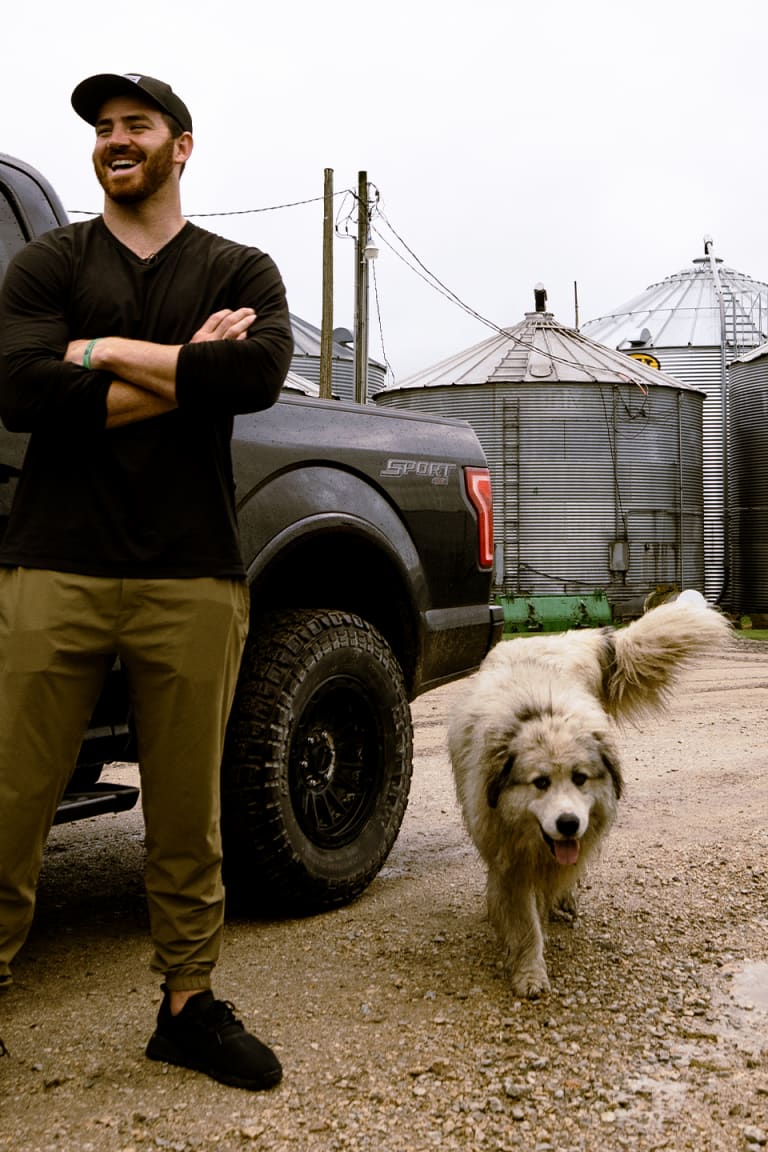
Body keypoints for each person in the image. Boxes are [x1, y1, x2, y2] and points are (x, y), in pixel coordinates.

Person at [0, 73, 294, 1091]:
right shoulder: (49, 260)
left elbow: (252, 377)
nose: (116, 140)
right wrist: (180, 368)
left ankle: (187, 1006)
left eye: (137, 126)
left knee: (184, 811)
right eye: (103, 129)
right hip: (54, 562)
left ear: (182, 146)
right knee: (10, 800)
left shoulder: (239, 265)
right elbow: (24, 389)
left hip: (191, 571)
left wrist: (111, 355)